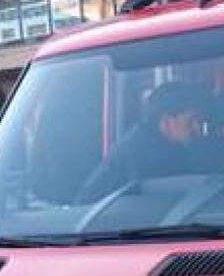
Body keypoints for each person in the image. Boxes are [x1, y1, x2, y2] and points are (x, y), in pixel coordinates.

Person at [78, 82, 208, 201]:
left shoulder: (172, 146)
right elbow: (157, 205)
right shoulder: (142, 153)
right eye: (191, 120)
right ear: (167, 121)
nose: (197, 128)